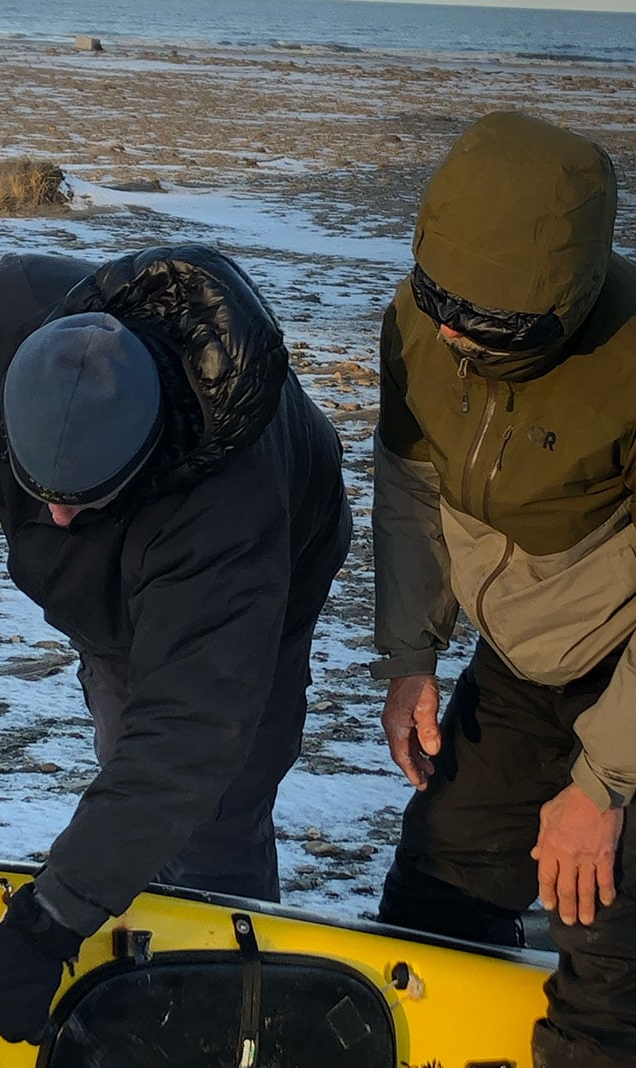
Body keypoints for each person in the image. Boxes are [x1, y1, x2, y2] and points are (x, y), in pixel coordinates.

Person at [0, 243, 352, 1044]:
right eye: (41, 493)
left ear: (148, 452)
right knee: (125, 755)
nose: (57, 520)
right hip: (122, 601)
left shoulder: (226, 510)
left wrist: (47, 923)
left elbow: (188, 737)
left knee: (214, 816)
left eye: (85, 500)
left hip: (253, 603)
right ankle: (130, 881)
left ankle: (220, 1015)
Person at [370, 110, 636, 1068]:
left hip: (629, 671)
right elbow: (409, 484)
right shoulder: (416, 322)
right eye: (437, 296)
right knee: (433, 890)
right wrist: (409, 657)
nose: (447, 328)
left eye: (482, 322)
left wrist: (601, 785)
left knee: (604, 951)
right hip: (523, 659)